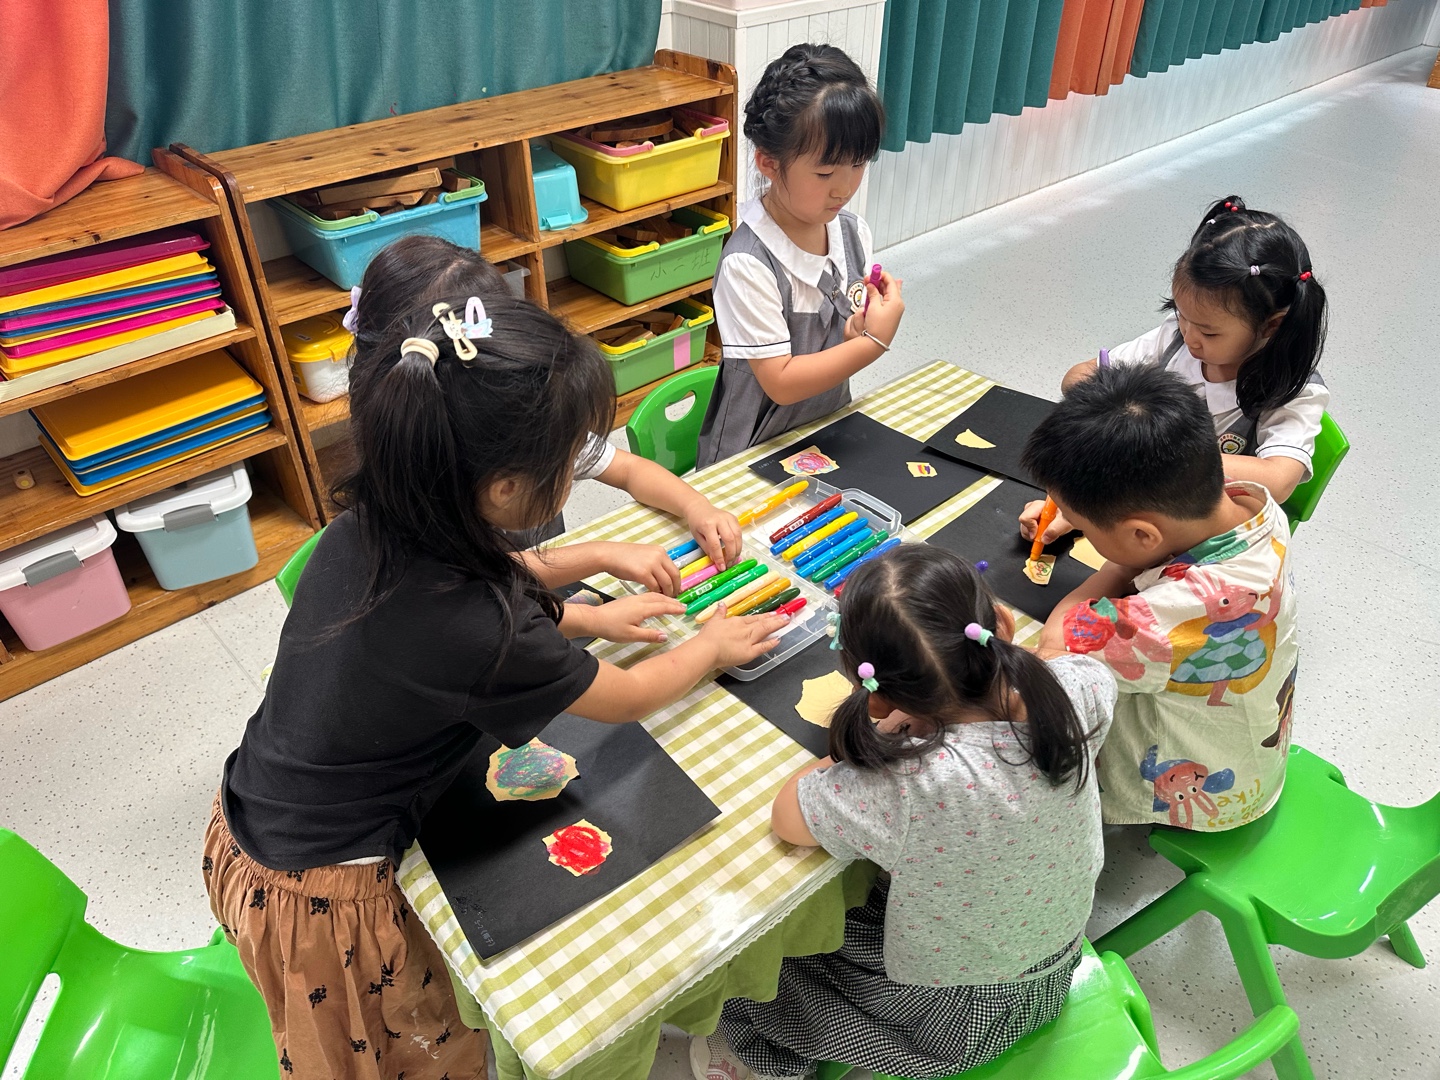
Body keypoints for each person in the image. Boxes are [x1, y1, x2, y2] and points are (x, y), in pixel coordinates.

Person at [206, 257, 789, 1080]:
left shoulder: (376, 521)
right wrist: (710, 648)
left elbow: (482, 589)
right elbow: (624, 695)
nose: (577, 470)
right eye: (566, 462)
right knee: (415, 1055)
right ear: (508, 489)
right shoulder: (476, 624)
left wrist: (588, 595)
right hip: (328, 898)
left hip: (251, 824)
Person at [694, 545, 1115, 1080]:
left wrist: (881, 737)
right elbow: (1050, 657)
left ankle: (762, 1060)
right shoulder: (1081, 688)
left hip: (954, 1020)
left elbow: (788, 818)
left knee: (750, 973)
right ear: (1002, 625)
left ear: (876, 699)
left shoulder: (912, 784)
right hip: (1053, 961)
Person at [344, 236, 744, 587]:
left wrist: (696, 506)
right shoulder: (411, 489)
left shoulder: (523, 417)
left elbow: (627, 469)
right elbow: (486, 587)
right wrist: (598, 557)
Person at [1025, 364, 1298, 833]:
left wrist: (1118, 565)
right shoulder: (1253, 504)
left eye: (1082, 526)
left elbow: (1058, 643)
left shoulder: (1158, 622)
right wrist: (1104, 527)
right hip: (1251, 749)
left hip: (1210, 792)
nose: (1078, 530)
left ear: (1143, 535)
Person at [1024, 195, 1328, 546]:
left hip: (1210, 542)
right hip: (1144, 516)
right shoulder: (1175, 338)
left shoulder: (1292, 391)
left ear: (1270, 325)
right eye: (1182, 315)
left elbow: (1279, 479)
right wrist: (1078, 507)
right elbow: (1078, 377)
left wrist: (1163, 450)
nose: (1189, 336)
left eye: (1209, 332)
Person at [695, 43, 905, 469]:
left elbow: (836, 335)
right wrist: (874, 342)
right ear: (769, 163)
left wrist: (855, 329)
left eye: (858, 164)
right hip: (751, 456)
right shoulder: (748, 264)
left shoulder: (852, 233)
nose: (844, 188)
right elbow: (782, 382)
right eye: (825, 173)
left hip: (823, 433)